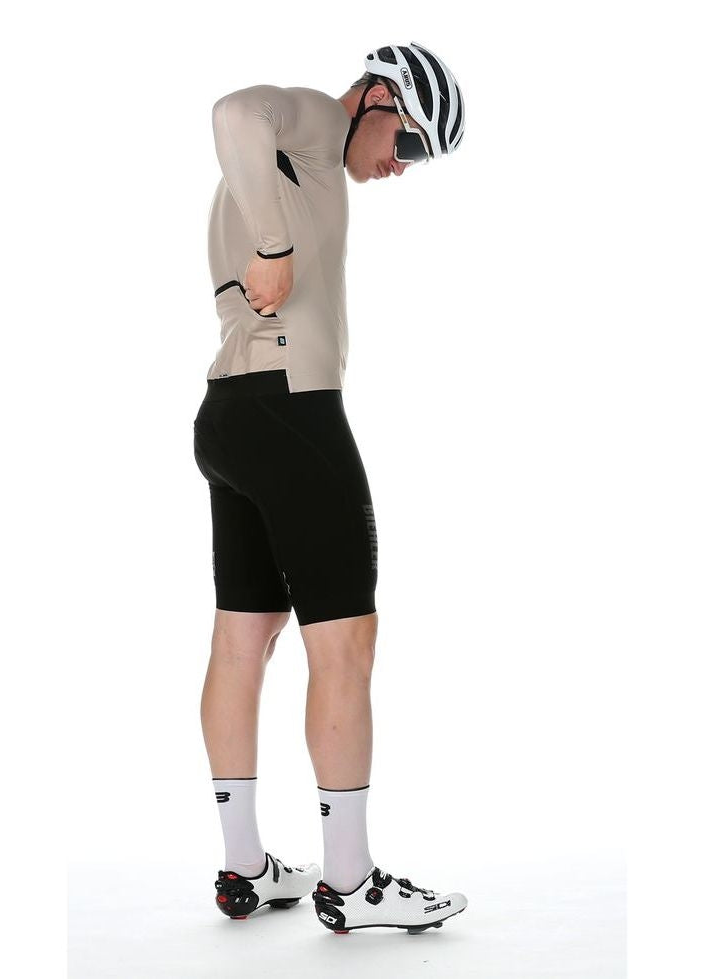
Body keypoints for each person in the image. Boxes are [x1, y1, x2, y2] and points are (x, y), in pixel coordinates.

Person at [191, 43, 468, 935]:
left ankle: (244, 865)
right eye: (409, 142)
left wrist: (275, 239)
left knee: (244, 639)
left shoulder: (290, 166)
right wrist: (275, 249)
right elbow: (234, 109)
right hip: (293, 413)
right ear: (378, 95)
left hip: (231, 413)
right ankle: (350, 881)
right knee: (345, 641)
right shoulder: (313, 117)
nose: (401, 166)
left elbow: (245, 137)